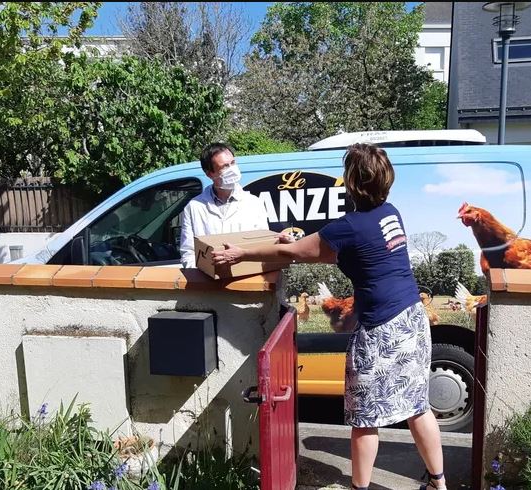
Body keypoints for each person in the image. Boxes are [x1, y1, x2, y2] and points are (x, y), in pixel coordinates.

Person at [211, 143, 446, 490]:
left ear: (352, 182)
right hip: (413, 319)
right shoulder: (389, 213)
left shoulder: (350, 226)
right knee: (417, 405)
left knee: (365, 419)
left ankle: (359, 488)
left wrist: (241, 252)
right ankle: (439, 484)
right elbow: (334, 251)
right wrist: (301, 243)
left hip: (382, 329)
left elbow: (294, 252)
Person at [179, 142, 289, 269]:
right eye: (225, 166)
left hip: (245, 280)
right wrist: (205, 274)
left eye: (233, 163)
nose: (232, 169)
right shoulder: (194, 207)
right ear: (210, 174)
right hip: (208, 284)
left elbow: (262, 247)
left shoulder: (254, 203)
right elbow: (189, 252)